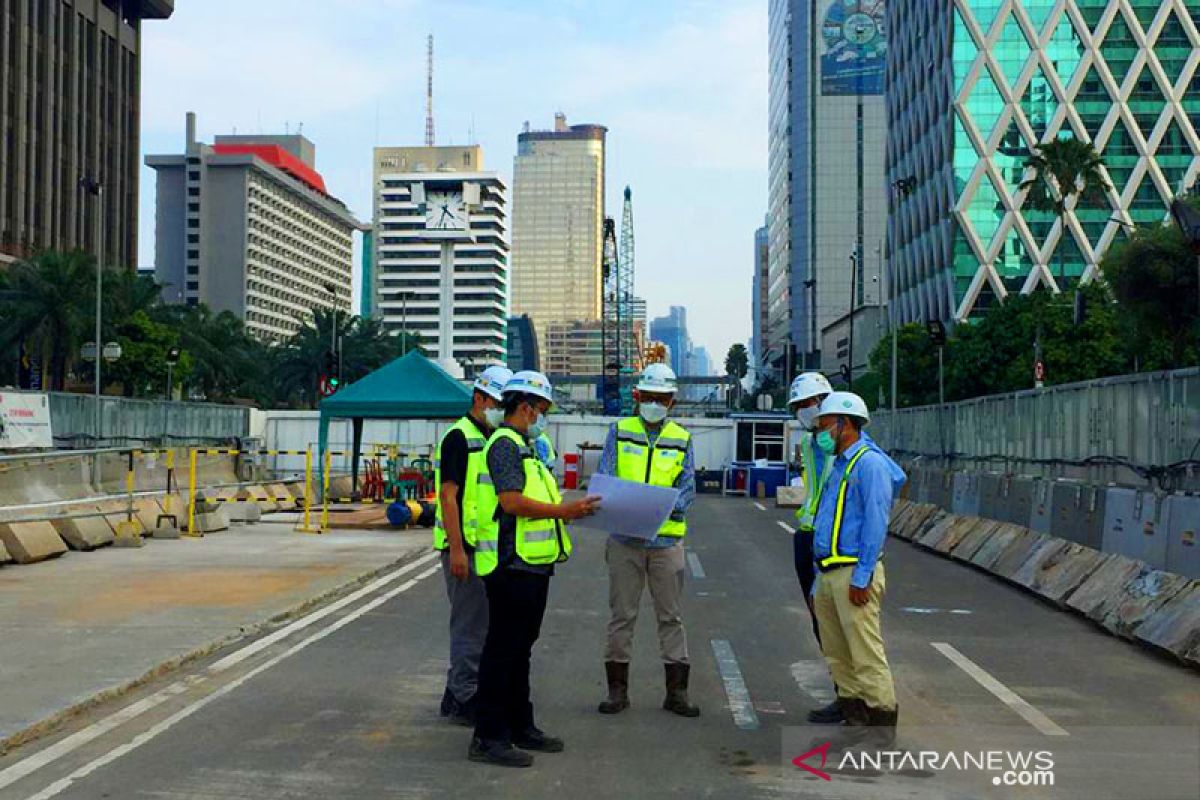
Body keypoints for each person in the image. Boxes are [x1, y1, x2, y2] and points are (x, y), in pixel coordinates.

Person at [468, 370, 601, 768]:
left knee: (520, 650)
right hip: (511, 566)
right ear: (525, 407)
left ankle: (519, 725)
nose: (544, 417)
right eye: (542, 410)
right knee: (502, 651)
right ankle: (488, 736)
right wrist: (565, 511)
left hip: (533, 566)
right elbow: (511, 503)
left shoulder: (527, 447)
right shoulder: (506, 445)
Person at [595, 362, 699, 718]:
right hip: (625, 540)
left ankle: (677, 693)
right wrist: (633, 508)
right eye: (649, 396)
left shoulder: (682, 438)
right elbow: (607, 476)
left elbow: (687, 489)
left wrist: (663, 510)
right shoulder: (619, 431)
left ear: (672, 402)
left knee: (671, 617)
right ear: (637, 396)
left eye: (662, 398)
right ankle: (617, 691)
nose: (655, 403)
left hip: (665, 543)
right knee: (622, 615)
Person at [810, 391, 906, 738]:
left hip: (853, 572)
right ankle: (853, 713)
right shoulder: (839, 464)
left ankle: (882, 723)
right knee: (837, 653)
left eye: (824, 425)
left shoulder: (869, 465)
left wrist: (863, 575)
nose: (820, 433)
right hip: (828, 572)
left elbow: (876, 523)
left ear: (844, 425)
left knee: (865, 654)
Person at [435, 365, 512, 726]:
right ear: (479, 398)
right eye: (497, 401)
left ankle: (455, 694)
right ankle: (466, 697)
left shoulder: (494, 438)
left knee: (482, 625)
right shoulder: (459, 437)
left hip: (486, 549)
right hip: (464, 548)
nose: (501, 408)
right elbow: (448, 498)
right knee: (469, 627)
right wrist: (457, 550)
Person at [786, 372, 843, 724]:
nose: (805, 412)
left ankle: (858, 697)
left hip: (836, 543)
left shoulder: (849, 444)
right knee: (821, 621)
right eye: (799, 407)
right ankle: (843, 691)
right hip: (808, 537)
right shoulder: (808, 444)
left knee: (844, 623)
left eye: (809, 404)